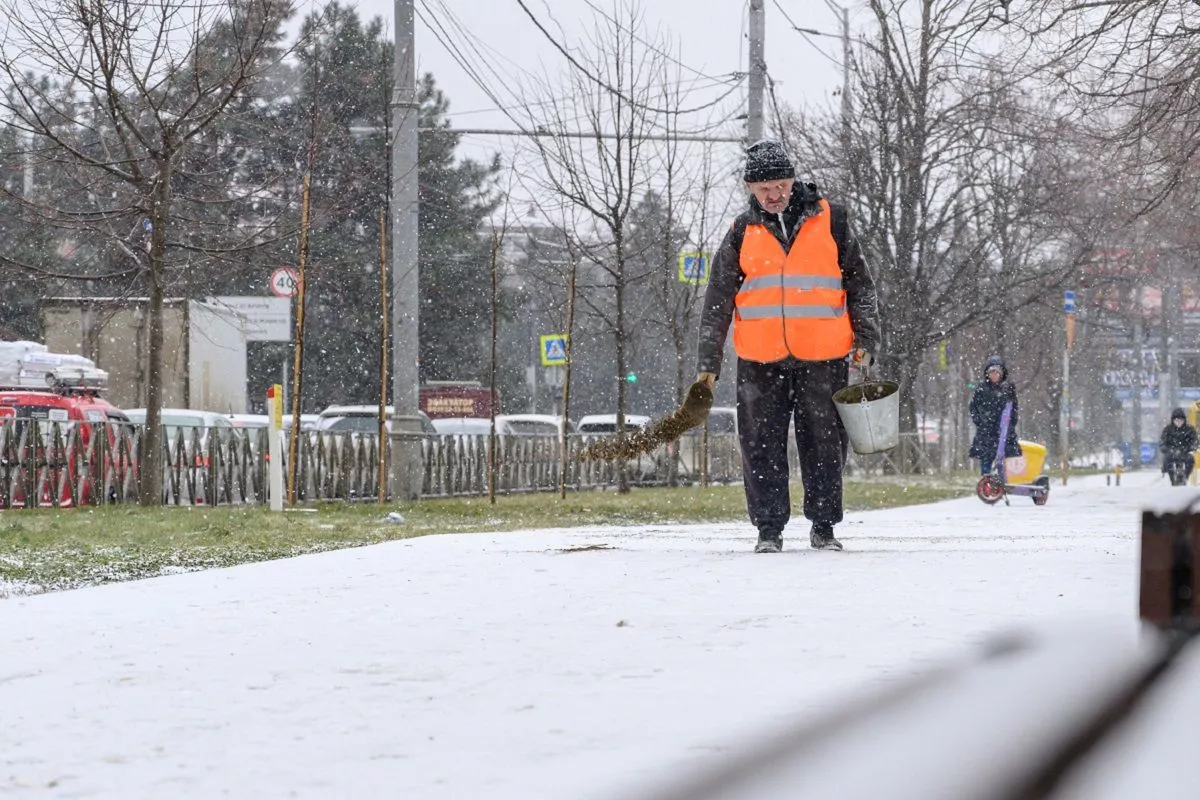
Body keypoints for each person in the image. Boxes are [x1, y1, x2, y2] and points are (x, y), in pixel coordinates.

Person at [695, 140, 880, 553]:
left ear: (792, 180)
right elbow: (717, 300)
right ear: (749, 188)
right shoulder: (742, 232)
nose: (773, 195)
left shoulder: (833, 221)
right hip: (759, 359)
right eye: (764, 189)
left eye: (779, 185)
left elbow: (860, 284)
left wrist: (866, 338)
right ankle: (768, 530)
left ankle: (824, 527)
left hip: (823, 355)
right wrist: (708, 360)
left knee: (825, 442)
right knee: (759, 444)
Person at [968, 356, 1021, 475]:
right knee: (986, 456)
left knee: (1003, 457)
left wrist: (1011, 422)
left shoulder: (1008, 389)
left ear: (1001, 373)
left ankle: (1002, 480)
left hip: (1004, 429)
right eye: (991, 372)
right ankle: (986, 479)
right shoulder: (982, 389)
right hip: (986, 429)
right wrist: (979, 421)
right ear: (987, 374)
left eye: (996, 372)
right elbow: (973, 407)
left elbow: (1014, 408)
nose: (994, 375)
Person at [1159, 407, 1198, 483]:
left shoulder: (1189, 429)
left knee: (1190, 460)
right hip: (1171, 452)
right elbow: (1162, 441)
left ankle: (1185, 476)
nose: (1179, 422)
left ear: (1184, 420)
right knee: (1167, 460)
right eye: (1176, 420)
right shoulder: (1168, 429)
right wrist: (1166, 449)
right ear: (1173, 420)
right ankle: (1172, 478)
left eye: (1181, 420)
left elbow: (1195, 441)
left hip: (1185, 452)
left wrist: (1191, 447)